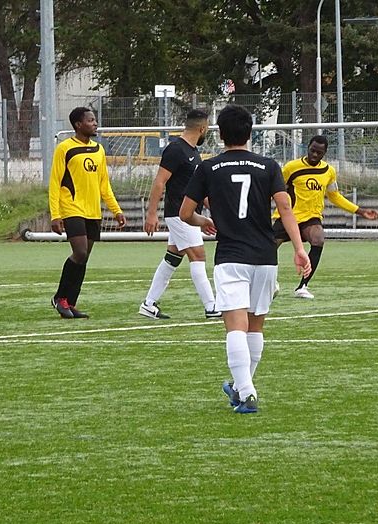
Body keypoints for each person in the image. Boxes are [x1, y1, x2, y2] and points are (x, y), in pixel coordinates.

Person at [180, 104, 311, 414]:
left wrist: (203, 221)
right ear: (250, 133)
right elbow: (285, 209)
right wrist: (298, 248)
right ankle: (241, 388)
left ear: (220, 134)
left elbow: (185, 213)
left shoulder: (209, 168)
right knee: (255, 326)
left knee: (235, 327)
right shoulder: (269, 166)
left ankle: (247, 392)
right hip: (265, 257)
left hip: (231, 257)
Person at [273, 135, 378, 299]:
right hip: (289, 217)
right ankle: (269, 281)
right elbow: (276, 189)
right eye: (312, 150)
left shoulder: (328, 171)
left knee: (318, 240)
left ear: (325, 153)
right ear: (308, 147)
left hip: (311, 217)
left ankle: (302, 286)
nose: (315, 155)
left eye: (319, 152)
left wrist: (359, 211)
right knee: (268, 247)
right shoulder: (291, 168)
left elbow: (334, 196)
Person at [139, 109, 220, 320]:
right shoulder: (176, 150)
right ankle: (211, 307)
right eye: (207, 128)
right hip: (179, 214)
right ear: (202, 128)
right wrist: (151, 214)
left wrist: (216, 212)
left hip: (189, 215)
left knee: (172, 258)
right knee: (198, 256)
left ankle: (149, 304)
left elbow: (197, 189)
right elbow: (159, 182)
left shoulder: (193, 152)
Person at [48, 107, 125, 319]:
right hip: (71, 208)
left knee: (84, 258)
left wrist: (116, 210)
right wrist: (55, 214)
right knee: (80, 252)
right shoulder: (65, 148)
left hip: (93, 211)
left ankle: (70, 303)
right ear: (78, 125)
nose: (95, 123)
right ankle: (60, 298)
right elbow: (55, 183)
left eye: (95, 120)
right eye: (90, 120)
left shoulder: (98, 150)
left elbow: (104, 184)